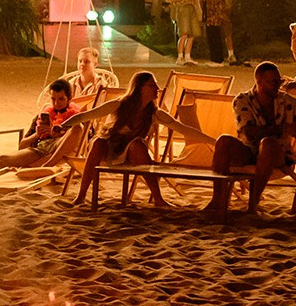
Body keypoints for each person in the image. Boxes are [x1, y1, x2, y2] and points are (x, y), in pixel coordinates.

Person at [70, 71, 216, 208]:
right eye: (152, 85)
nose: (157, 88)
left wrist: (212, 141)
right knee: (98, 142)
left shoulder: (154, 113)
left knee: (138, 145)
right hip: (107, 150)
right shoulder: (119, 105)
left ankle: (158, 198)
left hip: (132, 153)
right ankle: (81, 196)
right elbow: (87, 115)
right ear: (139, 88)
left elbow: (183, 129)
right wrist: (63, 126)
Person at [213, 61, 296, 211]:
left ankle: (253, 201)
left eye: (279, 81)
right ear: (259, 82)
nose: (277, 85)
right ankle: (217, 201)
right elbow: (249, 132)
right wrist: (283, 128)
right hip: (249, 151)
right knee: (223, 141)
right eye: (272, 82)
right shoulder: (242, 100)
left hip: (279, 155)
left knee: (268, 143)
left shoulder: (287, 101)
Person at [0, 78, 78, 181]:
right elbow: (22, 145)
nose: (56, 103)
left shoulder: (75, 118)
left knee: (78, 128)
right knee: (3, 159)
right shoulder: (43, 116)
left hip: (56, 152)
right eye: (53, 99)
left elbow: (76, 139)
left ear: (70, 98)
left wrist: (55, 134)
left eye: (61, 99)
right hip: (40, 150)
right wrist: (37, 134)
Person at [165, 0, 202, 67]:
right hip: (183, 8)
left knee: (192, 34)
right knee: (184, 34)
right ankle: (180, 57)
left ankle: (188, 56)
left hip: (192, 9)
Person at [64, 44, 119, 111]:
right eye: (80, 61)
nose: (82, 64)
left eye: (86, 62)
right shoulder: (71, 84)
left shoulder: (101, 85)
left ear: (95, 64)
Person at [198, 0, 231, 65]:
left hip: (213, 14)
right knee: (214, 36)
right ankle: (216, 58)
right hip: (212, 14)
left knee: (214, 36)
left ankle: (217, 59)